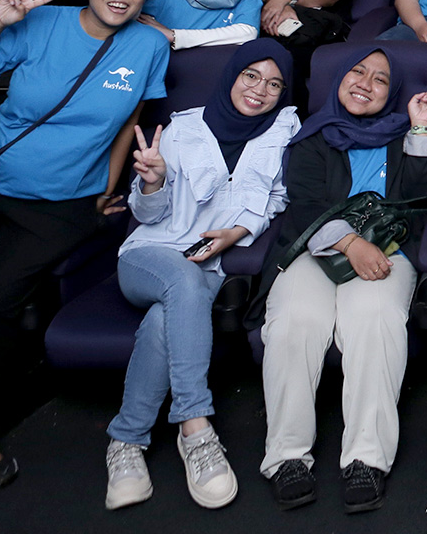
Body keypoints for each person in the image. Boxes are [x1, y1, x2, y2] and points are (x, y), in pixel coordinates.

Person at [0, 0, 171, 492]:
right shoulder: (41, 22)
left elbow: (130, 116)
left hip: (62, 205)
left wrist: (107, 191)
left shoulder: (151, 44)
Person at [105, 39, 299, 511]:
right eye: (251, 76)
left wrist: (236, 232)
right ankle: (195, 424)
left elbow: (277, 200)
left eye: (274, 83)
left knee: (163, 321)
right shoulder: (181, 129)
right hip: (148, 255)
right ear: (232, 75)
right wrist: (151, 182)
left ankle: (126, 442)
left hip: (207, 264)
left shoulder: (285, 132)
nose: (260, 90)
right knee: (182, 285)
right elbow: (148, 214)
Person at [252, 48, 427, 513]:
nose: (366, 83)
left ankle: (366, 458)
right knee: (295, 319)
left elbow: (422, 198)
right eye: (358, 72)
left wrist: (419, 127)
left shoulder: (401, 134)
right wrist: (350, 245)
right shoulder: (312, 137)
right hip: (313, 247)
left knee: (374, 317)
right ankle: (286, 457)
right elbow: (304, 204)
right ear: (339, 79)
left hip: (387, 250)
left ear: (392, 93)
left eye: (381, 79)